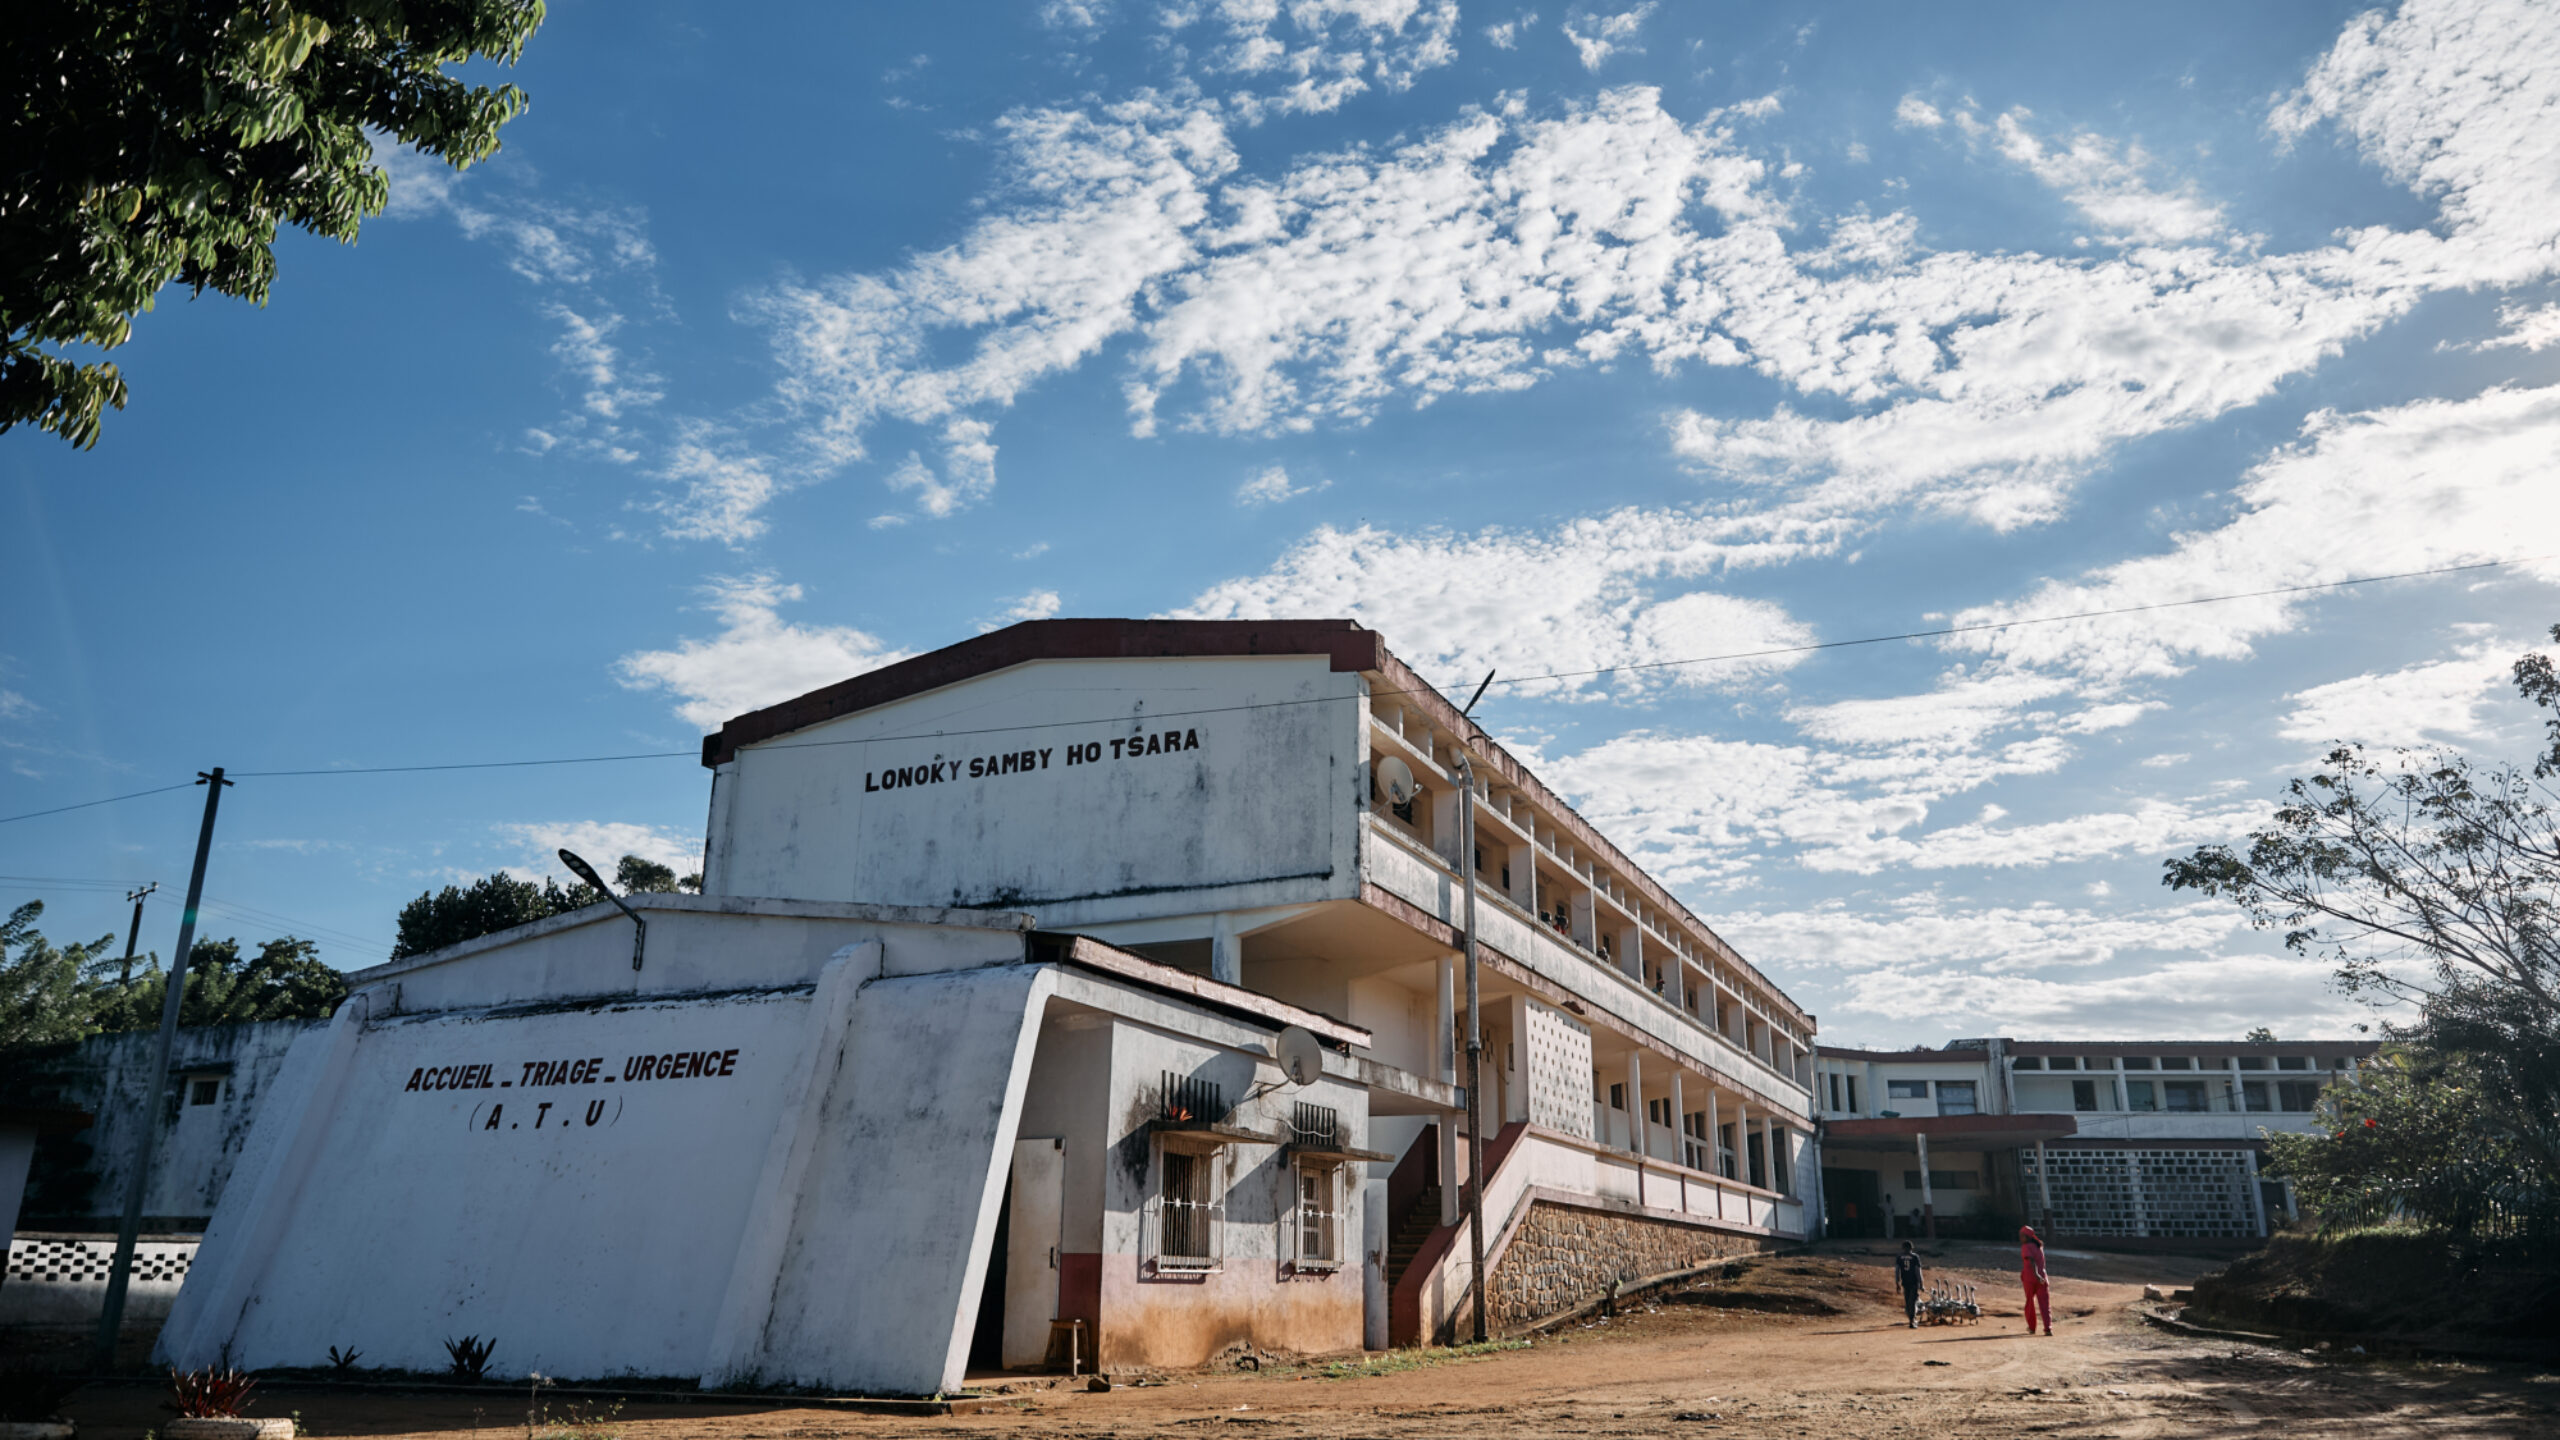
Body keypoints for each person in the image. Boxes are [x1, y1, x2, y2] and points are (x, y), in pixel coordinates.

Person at [2019, 1224, 2052, 1336]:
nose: (2020, 1238)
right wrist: (2039, 1275)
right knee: (2045, 1304)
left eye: (2022, 1236)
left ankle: (2032, 1327)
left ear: (2027, 1237)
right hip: (2043, 1278)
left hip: (2030, 1278)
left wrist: (2036, 1275)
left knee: (2029, 1303)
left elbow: (2031, 1261)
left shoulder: (2026, 1247)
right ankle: (2048, 1328)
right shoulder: (2039, 1246)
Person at [1894, 1241, 1924, 1328]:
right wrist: (1921, 1283)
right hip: (1914, 1282)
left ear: (1903, 1248)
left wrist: (1897, 1283)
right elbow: (1918, 1271)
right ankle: (1912, 1320)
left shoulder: (1899, 1257)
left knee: (1907, 1301)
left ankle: (1911, 1318)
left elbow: (1897, 1271)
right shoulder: (1915, 1257)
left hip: (1905, 1282)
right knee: (1913, 1301)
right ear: (1911, 1248)